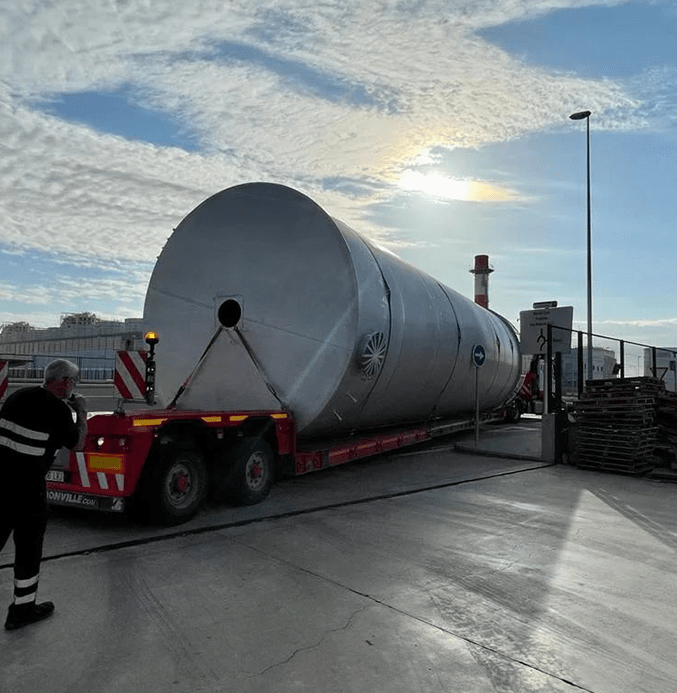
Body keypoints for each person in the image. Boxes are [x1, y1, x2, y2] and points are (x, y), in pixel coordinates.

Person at [0, 359, 87, 631]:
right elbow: (78, 444)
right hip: (28, 490)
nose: (74, 386)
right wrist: (81, 412)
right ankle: (22, 611)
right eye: (73, 382)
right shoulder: (58, 411)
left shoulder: (17, 397)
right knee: (28, 549)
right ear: (65, 381)